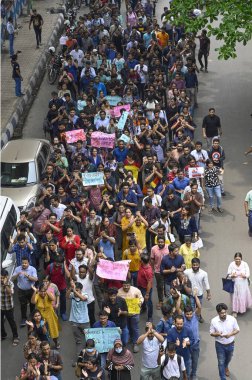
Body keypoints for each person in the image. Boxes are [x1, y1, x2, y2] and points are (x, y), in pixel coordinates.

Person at [210, 303, 240, 380]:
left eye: (225, 312)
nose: (224, 314)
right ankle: (222, 378)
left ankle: (226, 366)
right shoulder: (214, 321)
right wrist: (217, 334)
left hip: (231, 344)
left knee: (228, 359)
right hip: (220, 345)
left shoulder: (232, 319)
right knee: (220, 362)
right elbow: (211, 333)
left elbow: (237, 330)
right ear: (218, 313)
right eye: (221, 313)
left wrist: (230, 334)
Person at [117, 280, 144, 353]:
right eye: (124, 286)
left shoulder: (136, 290)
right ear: (122, 285)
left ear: (130, 285)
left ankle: (135, 343)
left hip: (134, 313)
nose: (126, 287)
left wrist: (140, 302)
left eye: (127, 285)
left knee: (135, 328)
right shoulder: (119, 292)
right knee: (127, 327)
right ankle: (129, 339)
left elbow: (141, 298)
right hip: (124, 314)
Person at [11, 256, 38, 327]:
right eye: (23, 263)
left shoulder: (32, 269)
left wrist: (28, 276)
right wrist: (17, 274)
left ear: (29, 263)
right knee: (23, 305)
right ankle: (24, 318)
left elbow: (35, 279)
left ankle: (32, 317)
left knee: (32, 304)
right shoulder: (17, 269)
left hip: (31, 290)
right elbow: (12, 278)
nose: (24, 264)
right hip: (21, 290)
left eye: (25, 263)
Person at [31, 284, 60, 349]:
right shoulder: (37, 295)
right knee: (43, 333)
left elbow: (53, 298)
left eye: (44, 291)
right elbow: (33, 302)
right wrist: (35, 291)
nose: (43, 293)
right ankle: (46, 346)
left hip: (51, 316)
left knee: (53, 331)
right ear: (39, 291)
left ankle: (56, 342)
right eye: (41, 291)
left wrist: (46, 291)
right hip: (41, 318)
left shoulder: (48, 294)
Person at [68, 280, 89, 365]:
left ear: (81, 290)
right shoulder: (72, 294)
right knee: (78, 341)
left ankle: (90, 358)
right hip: (74, 321)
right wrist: (70, 288)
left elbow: (83, 299)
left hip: (85, 321)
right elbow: (66, 296)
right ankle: (79, 359)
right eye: (75, 289)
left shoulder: (85, 295)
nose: (76, 291)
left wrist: (74, 290)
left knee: (89, 339)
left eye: (78, 289)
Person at [184, 258, 211, 322]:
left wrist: (208, 294)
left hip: (199, 294)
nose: (195, 266)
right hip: (191, 294)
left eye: (197, 265)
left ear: (199, 265)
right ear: (191, 265)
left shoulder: (204, 273)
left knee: (199, 307)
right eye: (194, 265)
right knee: (192, 307)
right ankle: (192, 319)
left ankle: (199, 316)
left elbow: (207, 284)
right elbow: (180, 274)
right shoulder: (187, 272)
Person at [183, 289, 202, 380]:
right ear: (184, 314)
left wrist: (195, 296)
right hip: (186, 344)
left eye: (190, 314)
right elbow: (178, 309)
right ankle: (187, 375)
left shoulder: (195, 316)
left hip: (195, 344)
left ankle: (193, 375)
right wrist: (179, 297)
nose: (189, 315)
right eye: (187, 314)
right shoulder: (182, 319)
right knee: (187, 361)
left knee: (195, 361)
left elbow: (199, 307)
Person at [227, 252, 252, 317]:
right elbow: (228, 274)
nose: (237, 260)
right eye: (236, 259)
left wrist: (245, 276)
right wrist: (231, 275)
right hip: (234, 284)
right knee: (234, 297)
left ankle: (242, 308)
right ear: (234, 259)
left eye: (239, 259)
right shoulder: (231, 264)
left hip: (243, 284)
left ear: (241, 259)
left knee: (242, 296)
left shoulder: (245, 264)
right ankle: (234, 311)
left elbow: (248, 274)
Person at [1, 269, 19, 346]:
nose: (1, 279)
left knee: (11, 322)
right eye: (0, 278)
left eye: (2, 278)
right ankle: (3, 334)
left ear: (7, 277)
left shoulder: (10, 283)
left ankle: (16, 337)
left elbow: (10, 293)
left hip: (8, 306)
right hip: (0, 306)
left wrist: (5, 285)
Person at [150, 236, 169, 309]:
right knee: (160, 286)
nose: (160, 243)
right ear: (157, 242)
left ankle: (168, 301)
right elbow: (152, 259)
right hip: (158, 271)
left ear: (164, 242)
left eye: (162, 242)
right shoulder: (153, 249)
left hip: (168, 270)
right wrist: (152, 269)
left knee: (168, 286)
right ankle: (161, 301)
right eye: (159, 242)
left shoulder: (168, 248)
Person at [137, 255, 154, 322]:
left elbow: (149, 283)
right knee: (141, 299)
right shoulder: (142, 265)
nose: (140, 261)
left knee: (149, 302)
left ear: (143, 262)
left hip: (145, 288)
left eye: (141, 260)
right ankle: (143, 308)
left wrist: (147, 294)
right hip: (140, 286)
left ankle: (150, 317)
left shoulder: (148, 271)